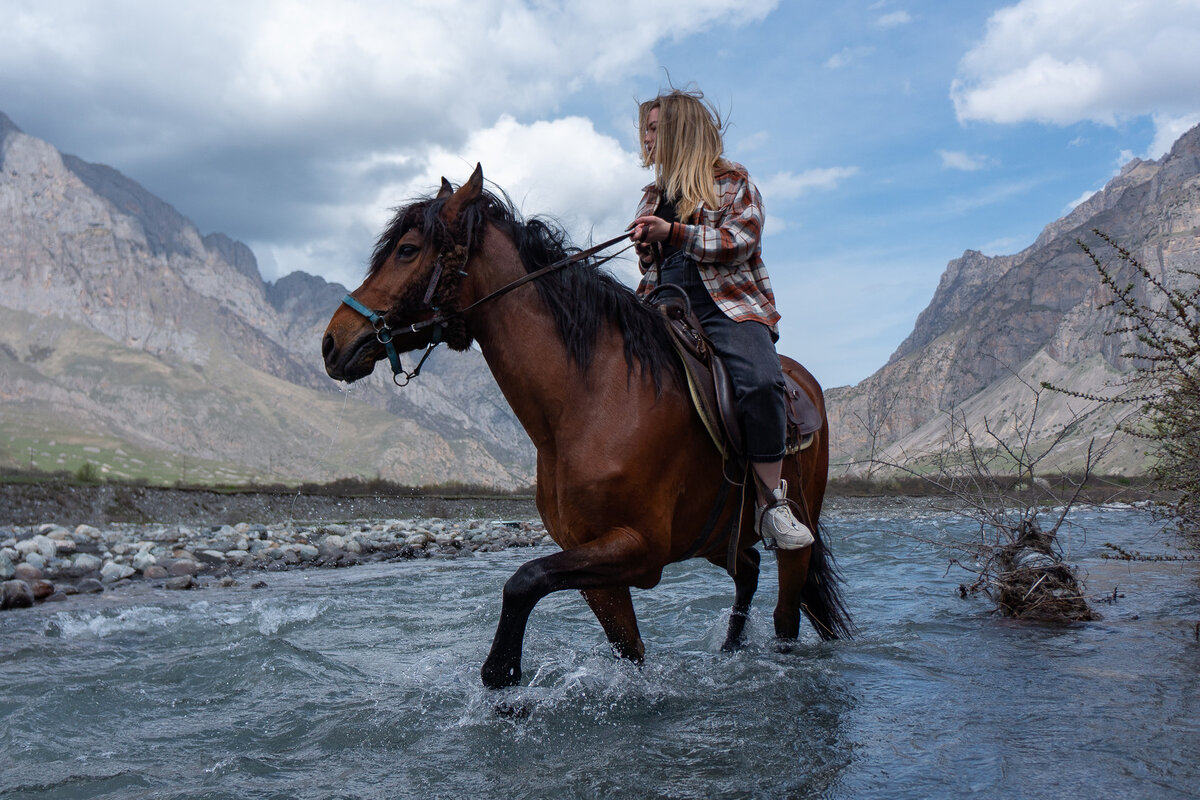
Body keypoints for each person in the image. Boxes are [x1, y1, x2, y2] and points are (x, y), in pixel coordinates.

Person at [628, 87, 813, 550]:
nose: (646, 138)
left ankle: (772, 503)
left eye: (654, 129)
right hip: (662, 298)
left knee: (758, 380)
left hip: (725, 303)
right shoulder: (652, 195)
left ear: (679, 131)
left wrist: (673, 232)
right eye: (645, 130)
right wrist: (648, 249)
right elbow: (648, 264)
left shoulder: (732, 182)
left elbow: (739, 241)